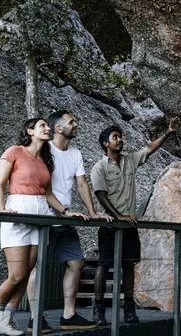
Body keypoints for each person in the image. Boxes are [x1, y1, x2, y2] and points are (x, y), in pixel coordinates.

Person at [0, 118, 87, 336]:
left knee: (26, 273)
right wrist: (1, 209)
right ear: (30, 130)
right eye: (42, 125)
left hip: (40, 218)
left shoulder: (45, 160)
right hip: (17, 212)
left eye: (47, 126)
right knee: (16, 274)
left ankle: (6, 319)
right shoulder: (14, 151)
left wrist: (65, 211)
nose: (47, 128)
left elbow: (48, 194)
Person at [25, 110, 114, 333]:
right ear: (58, 128)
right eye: (71, 122)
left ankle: (68, 315)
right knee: (35, 267)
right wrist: (65, 211)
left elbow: (82, 183)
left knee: (76, 263)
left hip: (66, 217)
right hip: (44, 217)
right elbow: (42, 188)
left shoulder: (75, 153)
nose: (76, 124)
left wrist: (92, 212)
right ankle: (35, 318)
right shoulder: (45, 151)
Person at [90, 118, 177, 325]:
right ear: (106, 143)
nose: (120, 140)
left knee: (128, 266)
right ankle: (99, 309)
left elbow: (148, 149)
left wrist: (167, 133)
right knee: (104, 266)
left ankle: (129, 309)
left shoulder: (129, 160)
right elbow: (101, 195)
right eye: (115, 137)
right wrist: (118, 216)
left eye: (120, 137)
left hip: (129, 225)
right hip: (110, 224)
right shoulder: (99, 168)